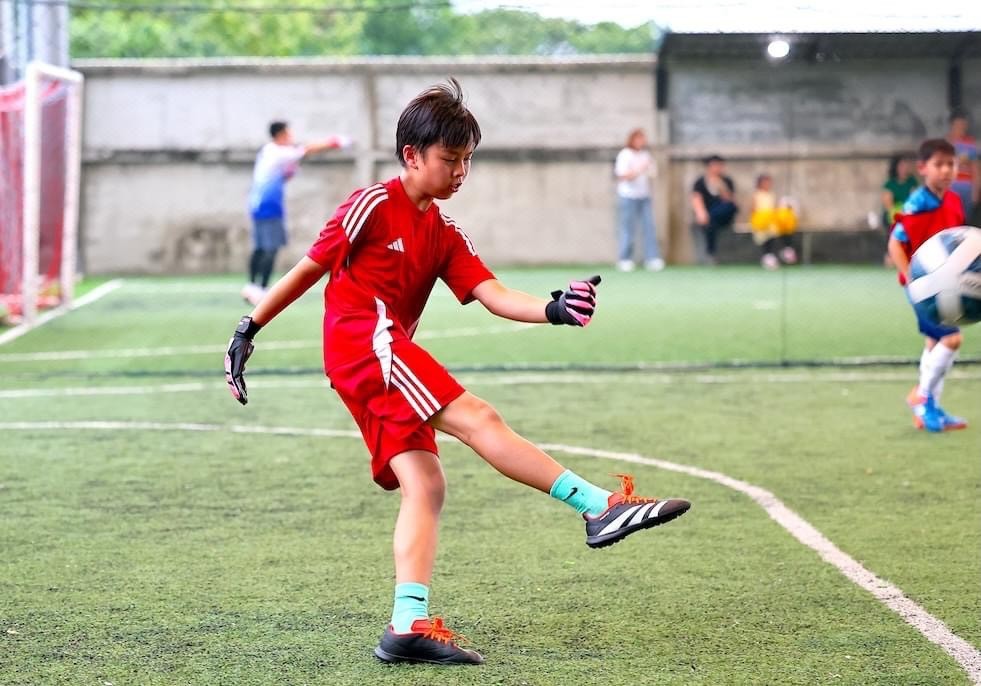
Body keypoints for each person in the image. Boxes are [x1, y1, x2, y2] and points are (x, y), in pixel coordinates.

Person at [223, 79, 691, 666]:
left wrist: (552, 309)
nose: (461, 171)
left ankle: (406, 625)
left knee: (426, 485)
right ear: (411, 156)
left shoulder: (443, 231)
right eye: (450, 159)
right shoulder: (371, 205)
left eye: (467, 159)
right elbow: (307, 269)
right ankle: (598, 506)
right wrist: (249, 329)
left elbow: (491, 292)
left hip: (377, 356)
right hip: (366, 348)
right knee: (476, 417)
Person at [886, 138, 968, 432]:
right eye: (939, 164)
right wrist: (912, 279)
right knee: (952, 340)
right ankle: (921, 395)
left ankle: (929, 409)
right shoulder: (917, 202)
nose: (946, 170)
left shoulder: (955, 200)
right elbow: (895, 243)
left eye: (951, 164)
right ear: (923, 168)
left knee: (935, 343)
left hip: (944, 285)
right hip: (923, 288)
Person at [242, 121, 351, 305]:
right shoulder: (279, 152)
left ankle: (252, 286)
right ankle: (260, 288)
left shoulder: (268, 151)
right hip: (269, 205)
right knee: (270, 247)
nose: (291, 138)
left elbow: (285, 172)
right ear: (281, 135)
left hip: (257, 204)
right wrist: (335, 142)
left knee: (260, 247)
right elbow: (307, 149)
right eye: (289, 134)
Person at [614, 129, 664, 272]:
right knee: (627, 228)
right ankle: (625, 259)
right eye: (638, 139)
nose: (641, 142)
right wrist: (639, 168)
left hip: (644, 196)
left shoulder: (645, 155)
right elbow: (623, 176)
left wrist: (649, 168)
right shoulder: (625, 155)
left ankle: (652, 258)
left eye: (643, 139)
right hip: (628, 196)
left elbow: (653, 173)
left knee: (649, 226)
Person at [690, 155, 738, 265]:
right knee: (711, 224)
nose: (717, 168)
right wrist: (701, 213)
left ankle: (710, 252)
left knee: (728, 207)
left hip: (724, 213)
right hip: (709, 213)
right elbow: (696, 198)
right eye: (714, 165)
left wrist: (721, 186)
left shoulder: (727, 180)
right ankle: (711, 254)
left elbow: (731, 201)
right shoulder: (700, 182)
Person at [749, 173, 798, 270]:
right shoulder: (756, 195)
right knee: (766, 235)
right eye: (765, 182)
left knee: (784, 225)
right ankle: (767, 255)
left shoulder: (772, 195)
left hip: (772, 220)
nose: (768, 185)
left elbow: (775, 207)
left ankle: (787, 249)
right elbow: (753, 210)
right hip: (762, 221)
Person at [880, 153, 919, 268]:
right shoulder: (890, 184)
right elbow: (888, 205)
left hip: (909, 214)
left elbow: (915, 199)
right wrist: (899, 214)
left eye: (905, 166)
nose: (904, 168)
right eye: (901, 166)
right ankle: (891, 255)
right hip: (894, 216)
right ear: (896, 168)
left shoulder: (912, 181)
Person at [946, 110, 979, 221]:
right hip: (950, 186)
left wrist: (976, 191)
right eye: (958, 124)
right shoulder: (945, 142)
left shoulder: (970, 143)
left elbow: (975, 169)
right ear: (952, 124)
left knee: (965, 221)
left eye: (963, 125)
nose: (961, 127)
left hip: (967, 188)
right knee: (951, 220)